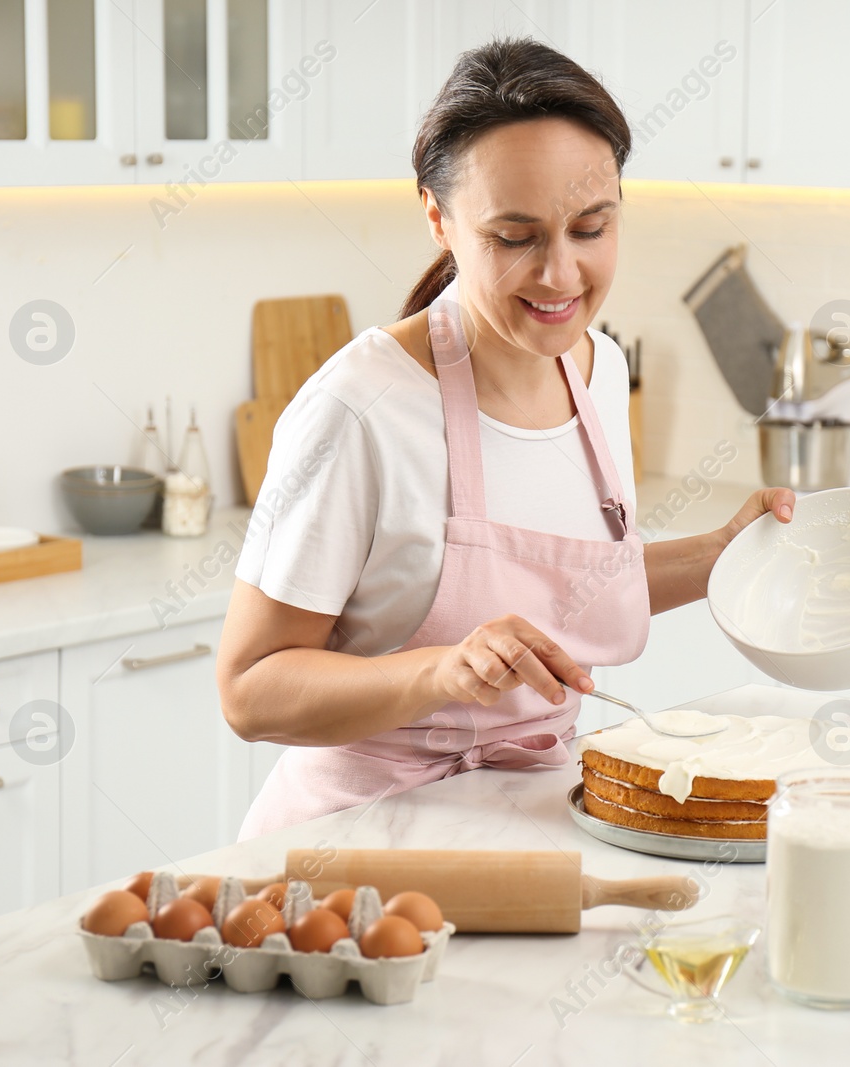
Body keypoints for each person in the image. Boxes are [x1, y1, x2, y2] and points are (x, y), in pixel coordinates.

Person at [218, 37, 794, 839]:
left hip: (537, 822)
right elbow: (249, 689)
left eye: (591, 228)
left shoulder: (598, 372)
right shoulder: (361, 410)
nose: (561, 275)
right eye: (515, 238)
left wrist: (722, 553)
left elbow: (569, 588)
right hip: (356, 846)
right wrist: (443, 670)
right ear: (438, 220)